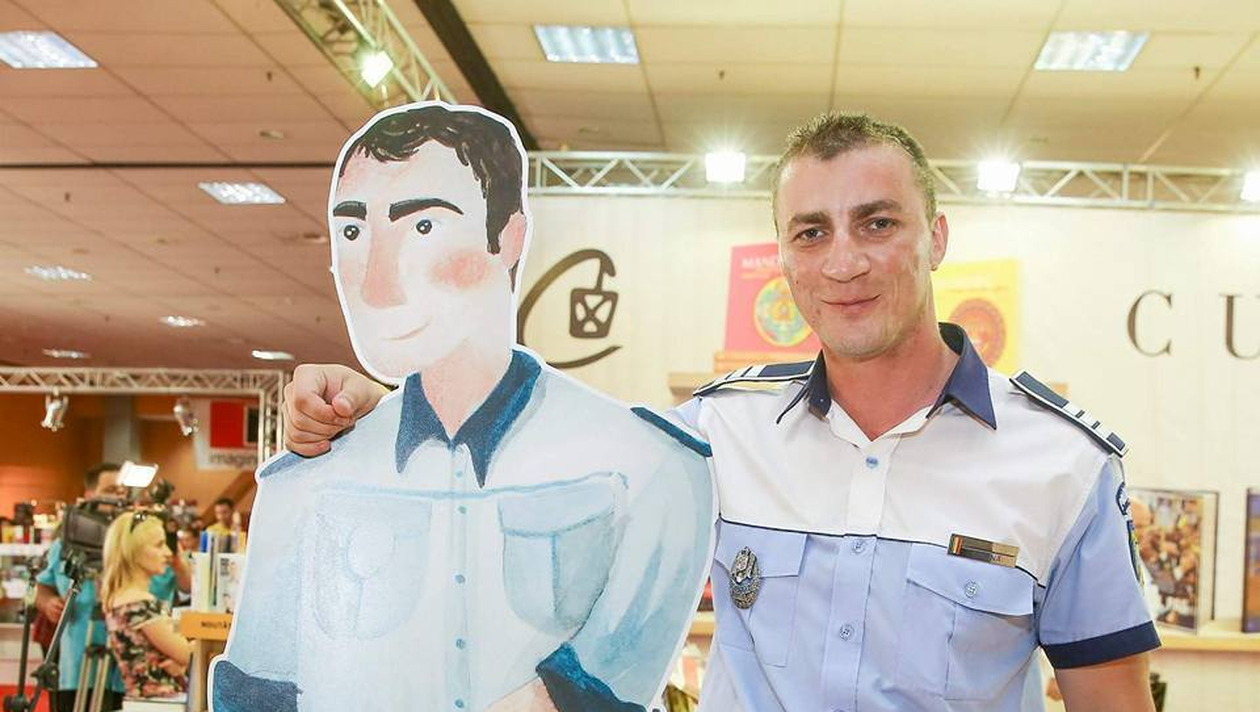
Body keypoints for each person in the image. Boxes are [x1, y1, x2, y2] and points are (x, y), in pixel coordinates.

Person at [284, 111, 1162, 711]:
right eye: (811, 232)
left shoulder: (1062, 464)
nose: (843, 262)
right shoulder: (716, 433)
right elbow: (527, 451)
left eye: (878, 223)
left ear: (935, 236)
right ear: (782, 257)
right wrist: (380, 407)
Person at [209, 102, 714, 712]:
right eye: (353, 232)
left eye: (423, 227)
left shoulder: (649, 468)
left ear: (508, 238)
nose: (377, 284)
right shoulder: (305, 481)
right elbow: (255, 691)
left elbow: (607, 684)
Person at [35, 464, 192, 712]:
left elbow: (188, 588)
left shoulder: (147, 538)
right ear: (90, 494)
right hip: (78, 664)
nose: (118, 497)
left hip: (136, 676)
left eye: (122, 491)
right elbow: (42, 586)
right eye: (110, 490)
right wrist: (48, 603)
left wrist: (178, 562)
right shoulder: (67, 544)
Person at [100, 511, 191, 700]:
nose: (167, 553)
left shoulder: (120, 600)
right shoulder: (140, 604)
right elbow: (186, 654)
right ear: (134, 552)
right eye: (159, 545)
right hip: (159, 703)